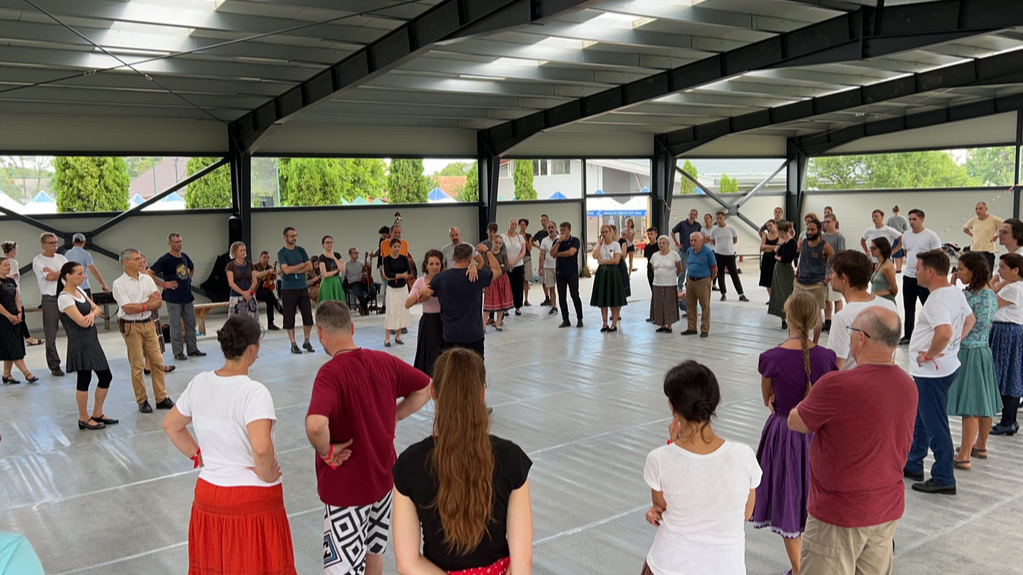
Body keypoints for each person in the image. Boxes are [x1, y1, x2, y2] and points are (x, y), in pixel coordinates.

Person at [161, 315, 295, 575]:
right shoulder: (254, 392)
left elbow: (171, 425)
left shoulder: (199, 382)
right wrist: (268, 474)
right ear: (253, 349)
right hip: (251, 499)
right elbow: (261, 448)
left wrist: (199, 455)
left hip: (209, 494)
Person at [305, 301, 432, 575]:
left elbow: (315, 425)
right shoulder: (384, 362)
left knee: (344, 568)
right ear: (351, 327)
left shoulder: (330, 374)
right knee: (374, 552)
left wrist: (327, 452)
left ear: (320, 333)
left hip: (346, 490)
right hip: (382, 482)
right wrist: (396, 414)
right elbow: (425, 387)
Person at [788, 307, 917, 575]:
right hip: (886, 509)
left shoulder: (836, 385)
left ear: (861, 338)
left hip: (839, 513)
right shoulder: (908, 385)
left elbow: (796, 421)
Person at [392, 348, 533, 575]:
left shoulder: (409, 465)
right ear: (482, 393)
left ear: (434, 392)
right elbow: (522, 562)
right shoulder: (511, 459)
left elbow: (407, 563)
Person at [643, 361, 761, 575]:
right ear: (715, 401)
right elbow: (745, 513)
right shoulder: (744, 456)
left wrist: (673, 445)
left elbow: (662, 510)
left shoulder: (659, 459)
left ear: (672, 407)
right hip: (726, 567)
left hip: (669, 566)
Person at [753, 292, 838, 575]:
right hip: (818, 436)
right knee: (815, 501)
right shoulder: (826, 357)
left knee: (789, 500)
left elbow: (767, 398)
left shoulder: (772, 357)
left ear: (787, 317)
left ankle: (799, 568)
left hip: (785, 434)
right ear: (815, 320)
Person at [904, 250, 974, 495]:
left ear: (930, 271)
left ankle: (944, 476)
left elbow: (944, 332)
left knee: (935, 425)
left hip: (931, 373)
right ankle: (914, 462)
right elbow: (970, 320)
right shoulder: (954, 291)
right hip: (944, 367)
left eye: (918, 269)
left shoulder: (936, 300)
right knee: (922, 419)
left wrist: (931, 354)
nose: (915, 273)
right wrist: (954, 344)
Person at [946, 252, 1001, 466]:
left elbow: (954, 317)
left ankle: (964, 455)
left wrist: (952, 288)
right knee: (983, 401)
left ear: (973, 271)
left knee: (970, 405)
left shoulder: (972, 296)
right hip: (983, 350)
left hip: (969, 352)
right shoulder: (989, 293)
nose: (958, 273)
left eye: (961, 269)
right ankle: (980, 445)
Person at [56, 261, 117, 431]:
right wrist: (91, 315)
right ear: (68, 276)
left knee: (105, 376)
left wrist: (92, 314)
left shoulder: (80, 291)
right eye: (80, 274)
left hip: (91, 340)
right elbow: (82, 322)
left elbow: (97, 309)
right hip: (80, 342)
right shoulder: (64, 298)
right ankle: (83, 417)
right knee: (84, 379)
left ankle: (97, 413)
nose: (83, 276)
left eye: (83, 273)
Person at [113, 248, 173, 414]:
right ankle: (142, 400)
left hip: (149, 323)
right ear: (126, 263)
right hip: (131, 326)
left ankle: (161, 397)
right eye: (137, 259)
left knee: (157, 362)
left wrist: (141, 306)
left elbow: (158, 302)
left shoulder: (147, 279)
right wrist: (147, 305)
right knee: (137, 365)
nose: (141, 261)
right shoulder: (119, 283)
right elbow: (128, 308)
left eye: (141, 258)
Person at [418, 243, 500, 359]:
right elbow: (497, 270)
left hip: (451, 336)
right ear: (470, 259)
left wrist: (419, 291)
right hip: (474, 335)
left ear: (453, 257)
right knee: (475, 368)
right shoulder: (477, 276)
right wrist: (487, 251)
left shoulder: (440, 278)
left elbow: (424, 297)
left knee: (452, 369)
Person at [825, 250, 899, 370]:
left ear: (844, 278)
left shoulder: (843, 317)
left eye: (832, 273)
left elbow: (835, 367)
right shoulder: (889, 306)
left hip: (853, 380)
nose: (830, 276)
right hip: (883, 377)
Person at [150, 233, 206, 362]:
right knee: (175, 325)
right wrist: (163, 284)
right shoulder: (165, 259)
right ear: (170, 243)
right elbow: (149, 272)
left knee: (190, 323)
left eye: (180, 241)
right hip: (173, 297)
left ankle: (192, 349)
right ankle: (178, 352)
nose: (179, 244)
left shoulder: (184, 256)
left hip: (187, 296)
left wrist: (189, 279)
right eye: (176, 242)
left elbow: (192, 268)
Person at [990, 253, 1023, 436]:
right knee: (1010, 375)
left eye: (1002, 267)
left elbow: (991, 303)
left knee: (1008, 376)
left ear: (1015, 270)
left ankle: (1007, 421)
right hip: (1009, 332)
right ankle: (1009, 420)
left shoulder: (1013, 289)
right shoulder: (1014, 286)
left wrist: (996, 285)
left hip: (1006, 333)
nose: (999, 271)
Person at [899, 209, 943, 345]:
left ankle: (934, 333)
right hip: (909, 276)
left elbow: (938, 256)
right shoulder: (905, 236)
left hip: (925, 278)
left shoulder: (931, 236)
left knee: (929, 306)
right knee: (908, 307)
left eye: (914, 219)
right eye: (910, 219)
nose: (911, 222)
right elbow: (906, 252)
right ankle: (908, 335)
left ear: (922, 219)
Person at [793, 218, 834, 344]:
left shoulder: (825, 246)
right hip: (801, 283)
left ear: (819, 230)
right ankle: (799, 340)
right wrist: (797, 273)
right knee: (797, 312)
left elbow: (835, 264)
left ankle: (815, 343)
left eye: (812, 229)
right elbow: (802, 259)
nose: (809, 232)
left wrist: (826, 281)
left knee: (816, 315)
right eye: (808, 229)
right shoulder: (804, 242)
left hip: (816, 284)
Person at [32, 232, 67, 376]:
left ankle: (75, 361)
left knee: (73, 331)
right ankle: (54, 365)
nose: (54, 245)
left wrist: (55, 273)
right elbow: (50, 277)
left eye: (56, 242)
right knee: (51, 334)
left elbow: (70, 274)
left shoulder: (62, 258)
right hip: (50, 299)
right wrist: (60, 273)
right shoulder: (38, 260)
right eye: (51, 243)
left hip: (65, 297)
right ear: (43, 244)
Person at [278, 227, 315, 354]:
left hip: (302, 287)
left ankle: (307, 341)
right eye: (292, 236)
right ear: (285, 237)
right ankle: (293, 343)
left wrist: (295, 270)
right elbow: (286, 270)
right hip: (288, 288)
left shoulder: (301, 250)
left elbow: (309, 266)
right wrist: (301, 265)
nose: (294, 238)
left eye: (295, 235)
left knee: (308, 316)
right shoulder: (282, 253)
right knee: (289, 317)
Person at [406, 250, 444, 376]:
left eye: (437, 264)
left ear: (441, 265)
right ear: (426, 265)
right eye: (431, 264)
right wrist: (420, 293)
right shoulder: (420, 281)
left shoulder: (446, 279)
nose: (434, 267)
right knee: (429, 355)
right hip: (429, 322)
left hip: (445, 320)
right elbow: (407, 304)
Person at [0, 258, 37, 385]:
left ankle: (7, 374)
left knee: (11, 345)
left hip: (15, 314)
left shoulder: (11, 280)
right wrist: (9, 316)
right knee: (13, 346)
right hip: (3, 317)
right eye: (5, 265)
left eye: (9, 265)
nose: (8, 267)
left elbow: (16, 297)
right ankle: (27, 373)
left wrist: (19, 312)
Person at [138, 253, 175, 377]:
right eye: (140, 262)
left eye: (144, 262)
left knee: (156, 337)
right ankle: (155, 365)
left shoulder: (148, 277)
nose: (142, 264)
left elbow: (156, 294)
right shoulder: (137, 279)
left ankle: (150, 365)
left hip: (153, 310)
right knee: (150, 339)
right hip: (145, 311)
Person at [2, 241, 42, 346]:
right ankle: (27, 337)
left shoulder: (2, 261)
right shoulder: (13, 263)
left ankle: (26, 337)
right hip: (13, 293)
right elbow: (11, 277)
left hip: (7, 294)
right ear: (12, 250)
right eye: (16, 250)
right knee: (20, 316)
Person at [590, 224, 627, 333]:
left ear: (611, 232)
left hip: (612, 272)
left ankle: (614, 324)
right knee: (603, 299)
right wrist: (600, 244)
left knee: (613, 298)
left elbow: (616, 260)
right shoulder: (600, 245)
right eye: (602, 232)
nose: (604, 234)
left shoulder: (616, 245)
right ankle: (604, 322)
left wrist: (603, 261)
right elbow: (595, 256)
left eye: (606, 232)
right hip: (602, 272)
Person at [682, 232, 717, 338]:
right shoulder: (689, 251)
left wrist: (708, 279)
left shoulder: (708, 252)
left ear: (701, 240)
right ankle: (691, 328)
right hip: (691, 281)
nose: (693, 243)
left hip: (703, 281)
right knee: (690, 306)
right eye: (691, 240)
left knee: (705, 306)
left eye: (695, 240)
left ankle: (705, 329)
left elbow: (714, 269)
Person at [709, 212, 747, 302]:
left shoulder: (731, 228)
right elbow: (713, 241)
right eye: (717, 219)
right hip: (718, 254)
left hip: (729, 254)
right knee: (720, 274)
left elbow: (735, 240)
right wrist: (719, 247)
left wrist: (728, 246)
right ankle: (723, 293)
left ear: (724, 218)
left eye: (720, 218)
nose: (719, 220)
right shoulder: (714, 230)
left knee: (734, 274)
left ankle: (741, 294)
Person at [552, 222, 583, 328]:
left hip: (572, 272)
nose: (562, 232)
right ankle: (565, 319)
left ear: (569, 230)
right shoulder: (557, 241)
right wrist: (558, 242)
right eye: (561, 230)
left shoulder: (575, 240)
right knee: (562, 297)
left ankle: (580, 319)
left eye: (564, 230)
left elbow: (571, 252)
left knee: (575, 295)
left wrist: (558, 254)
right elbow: (551, 253)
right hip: (560, 273)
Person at [382, 238, 412, 347]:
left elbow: (408, 271)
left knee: (401, 311)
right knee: (391, 311)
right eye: (395, 246)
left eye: (399, 247)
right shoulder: (387, 259)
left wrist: (399, 276)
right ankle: (387, 338)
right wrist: (400, 275)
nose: (397, 249)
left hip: (403, 287)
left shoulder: (404, 258)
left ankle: (398, 336)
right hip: (392, 288)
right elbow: (388, 274)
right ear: (390, 247)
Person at [769, 222, 798, 330]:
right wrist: (778, 245)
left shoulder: (792, 242)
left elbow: (786, 258)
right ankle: (782, 319)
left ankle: (790, 316)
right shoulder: (782, 241)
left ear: (781, 231)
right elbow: (772, 254)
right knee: (778, 293)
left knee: (787, 292)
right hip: (778, 269)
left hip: (785, 269)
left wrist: (777, 257)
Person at [650, 235, 682, 334]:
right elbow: (653, 267)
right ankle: (662, 324)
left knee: (669, 304)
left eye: (663, 243)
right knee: (659, 304)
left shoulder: (674, 254)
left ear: (668, 244)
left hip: (670, 284)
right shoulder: (655, 255)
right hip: (657, 284)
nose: (661, 245)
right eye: (660, 243)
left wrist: (674, 276)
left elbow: (679, 268)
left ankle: (669, 325)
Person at [64, 233, 109, 298]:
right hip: (83, 286)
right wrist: (103, 284)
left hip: (71, 287)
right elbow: (94, 271)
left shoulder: (66, 254)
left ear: (73, 242)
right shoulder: (86, 254)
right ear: (84, 242)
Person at [821, 214, 846, 331]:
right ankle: (828, 321)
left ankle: (838, 321)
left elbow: (841, 255)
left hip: (835, 271)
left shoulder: (839, 237)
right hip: (824, 270)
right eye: (825, 222)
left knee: (836, 297)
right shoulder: (823, 236)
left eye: (829, 222)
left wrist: (837, 270)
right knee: (826, 298)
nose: (826, 224)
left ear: (835, 222)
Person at [482, 236, 513, 331]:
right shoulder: (487, 254)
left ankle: (498, 323)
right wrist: (499, 267)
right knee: (488, 302)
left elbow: (506, 267)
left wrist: (496, 268)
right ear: (493, 242)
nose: (498, 245)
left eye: (500, 243)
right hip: (491, 279)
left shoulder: (503, 254)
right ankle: (483, 326)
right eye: (496, 242)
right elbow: (486, 265)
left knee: (502, 301)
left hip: (503, 279)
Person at [963, 201, 1003, 272]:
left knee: (988, 272)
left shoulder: (993, 219)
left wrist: (997, 236)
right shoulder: (973, 221)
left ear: (986, 209)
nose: (978, 210)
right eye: (976, 209)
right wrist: (972, 235)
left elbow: (1005, 226)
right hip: (975, 250)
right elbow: (965, 228)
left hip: (988, 250)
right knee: (975, 272)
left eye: (980, 208)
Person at [225, 241, 261, 321]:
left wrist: (249, 291)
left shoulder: (250, 264)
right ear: (235, 252)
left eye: (244, 250)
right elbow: (231, 283)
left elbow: (254, 280)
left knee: (252, 320)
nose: (243, 252)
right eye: (241, 251)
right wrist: (243, 293)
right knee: (236, 321)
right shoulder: (230, 265)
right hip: (236, 296)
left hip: (249, 295)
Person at [673, 209, 703, 292]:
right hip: (684, 250)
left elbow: (700, 236)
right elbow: (673, 232)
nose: (692, 216)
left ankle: (688, 284)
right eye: (691, 214)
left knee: (692, 268)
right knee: (683, 269)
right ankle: (680, 285)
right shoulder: (682, 224)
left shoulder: (698, 226)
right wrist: (677, 243)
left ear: (696, 216)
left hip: (694, 251)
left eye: (694, 214)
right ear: (689, 214)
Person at [502, 218, 526, 316]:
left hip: (518, 265)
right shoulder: (502, 237)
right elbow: (501, 250)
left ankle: (518, 307)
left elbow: (523, 251)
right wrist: (508, 261)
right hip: (506, 265)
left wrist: (514, 261)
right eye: (512, 224)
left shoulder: (520, 237)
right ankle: (505, 308)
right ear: (508, 224)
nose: (513, 226)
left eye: (515, 224)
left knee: (518, 286)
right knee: (506, 286)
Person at [254, 251, 283, 330]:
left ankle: (270, 323)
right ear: (260, 258)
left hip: (266, 291)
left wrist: (278, 272)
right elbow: (257, 275)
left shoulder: (270, 267)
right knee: (269, 294)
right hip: (256, 291)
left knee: (269, 301)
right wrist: (267, 272)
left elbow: (277, 274)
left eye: (268, 258)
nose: (266, 259)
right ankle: (282, 311)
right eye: (264, 257)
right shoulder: (255, 266)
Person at [345, 248, 376, 316]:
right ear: (350, 254)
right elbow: (343, 276)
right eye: (355, 253)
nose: (357, 255)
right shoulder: (346, 264)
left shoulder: (361, 263)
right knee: (359, 294)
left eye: (357, 253)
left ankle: (361, 304)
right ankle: (365, 308)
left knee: (373, 292)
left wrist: (368, 266)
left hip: (363, 281)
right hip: (353, 283)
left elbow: (367, 272)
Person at [317, 236, 346, 305]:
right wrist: (336, 270)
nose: (330, 244)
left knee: (339, 304)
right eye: (327, 242)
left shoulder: (337, 255)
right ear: (323, 245)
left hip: (336, 281)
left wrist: (334, 258)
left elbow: (343, 269)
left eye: (331, 242)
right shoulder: (322, 257)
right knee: (328, 304)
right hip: (327, 283)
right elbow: (324, 274)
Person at [869, 237, 899, 303]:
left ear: (882, 249)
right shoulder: (878, 264)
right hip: (875, 299)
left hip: (885, 299)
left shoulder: (888, 266)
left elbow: (894, 289)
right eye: (870, 248)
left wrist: (887, 300)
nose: (871, 251)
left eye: (874, 248)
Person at [540, 222, 560, 317]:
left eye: (552, 227)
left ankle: (563, 305)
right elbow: (542, 254)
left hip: (559, 267)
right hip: (548, 267)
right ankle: (554, 306)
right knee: (551, 288)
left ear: (556, 228)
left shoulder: (560, 239)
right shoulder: (544, 241)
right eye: (549, 228)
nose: (551, 229)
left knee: (561, 288)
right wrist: (541, 267)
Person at [643, 227, 661, 321]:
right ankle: (653, 315)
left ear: (656, 234)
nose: (650, 236)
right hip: (650, 271)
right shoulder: (647, 247)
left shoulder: (659, 246)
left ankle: (658, 315)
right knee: (654, 293)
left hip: (659, 271)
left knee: (658, 293)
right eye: (648, 234)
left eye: (651, 234)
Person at [759, 220, 780, 299]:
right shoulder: (765, 236)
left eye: (770, 225)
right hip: (766, 259)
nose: (769, 227)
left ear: (775, 225)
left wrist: (767, 247)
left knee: (776, 279)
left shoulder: (779, 236)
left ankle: (776, 298)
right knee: (767, 280)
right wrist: (774, 247)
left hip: (775, 258)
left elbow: (779, 248)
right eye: (767, 226)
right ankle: (771, 298)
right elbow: (762, 248)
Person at [611, 224, 632, 299]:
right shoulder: (606, 242)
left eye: (610, 231)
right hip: (610, 265)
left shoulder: (622, 241)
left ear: (615, 231)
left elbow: (623, 254)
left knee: (622, 286)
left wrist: (614, 255)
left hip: (620, 264)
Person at [888, 205, 910, 272]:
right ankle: (900, 267)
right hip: (902, 235)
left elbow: (887, 227)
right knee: (901, 252)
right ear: (899, 210)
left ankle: (897, 268)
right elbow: (905, 228)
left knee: (896, 252)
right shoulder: (903, 218)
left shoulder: (890, 219)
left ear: (892, 211)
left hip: (894, 236)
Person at [519, 218, 533, 307]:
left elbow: (530, 248)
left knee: (526, 279)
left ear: (526, 226)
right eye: (521, 224)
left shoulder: (529, 236)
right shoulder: (516, 235)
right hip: (519, 257)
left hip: (527, 257)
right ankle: (518, 299)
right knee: (519, 280)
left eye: (524, 224)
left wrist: (524, 238)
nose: (522, 226)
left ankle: (526, 299)